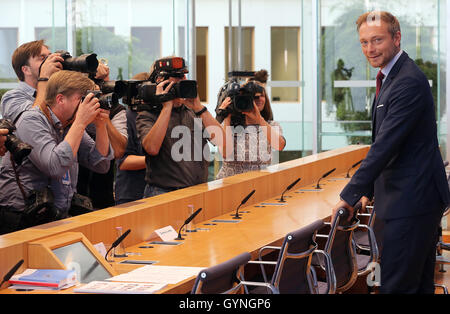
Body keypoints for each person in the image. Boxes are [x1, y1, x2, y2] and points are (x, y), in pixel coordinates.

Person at [331, 11, 450, 294]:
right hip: (414, 200)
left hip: (411, 202)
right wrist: (367, 191)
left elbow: (385, 146)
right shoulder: (393, 76)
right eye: (364, 42)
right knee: (416, 286)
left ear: (397, 38)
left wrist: (348, 196)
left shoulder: (406, 80)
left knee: (396, 286)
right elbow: (390, 146)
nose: (369, 49)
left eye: (377, 40)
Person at [0, 70, 114, 234]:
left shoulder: (69, 125)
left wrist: (101, 126)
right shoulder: (31, 120)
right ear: (60, 99)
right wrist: (81, 122)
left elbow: (102, 164)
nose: (86, 106)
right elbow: (54, 167)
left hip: (54, 218)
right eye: (81, 100)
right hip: (22, 220)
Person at [136, 56, 228, 197]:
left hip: (198, 191)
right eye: (176, 77)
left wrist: (199, 107)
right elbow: (152, 148)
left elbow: (222, 141)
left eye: (183, 76)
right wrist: (166, 106)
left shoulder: (194, 110)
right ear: (160, 81)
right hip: (164, 193)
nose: (182, 82)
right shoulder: (148, 112)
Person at [76, 63, 128, 209]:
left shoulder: (116, 109)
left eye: (105, 81)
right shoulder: (72, 108)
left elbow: (118, 151)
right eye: (97, 81)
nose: (103, 86)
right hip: (73, 194)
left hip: (102, 195)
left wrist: (104, 121)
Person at [215, 80, 285, 179]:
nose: (259, 99)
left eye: (262, 96)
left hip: (260, 184)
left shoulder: (271, 125)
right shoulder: (229, 125)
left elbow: (280, 146)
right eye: (254, 97)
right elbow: (226, 154)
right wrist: (227, 115)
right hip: (230, 185)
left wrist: (259, 119)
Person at [0, 40, 63, 123]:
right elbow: (33, 123)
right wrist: (44, 77)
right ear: (26, 70)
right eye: (43, 58)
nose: (50, 62)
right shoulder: (11, 98)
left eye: (50, 56)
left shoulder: (57, 94)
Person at [114, 72, 149, 205]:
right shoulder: (127, 117)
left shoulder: (155, 117)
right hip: (131, 194)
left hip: (150, 193)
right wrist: (158, 161)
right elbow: (124, 162)